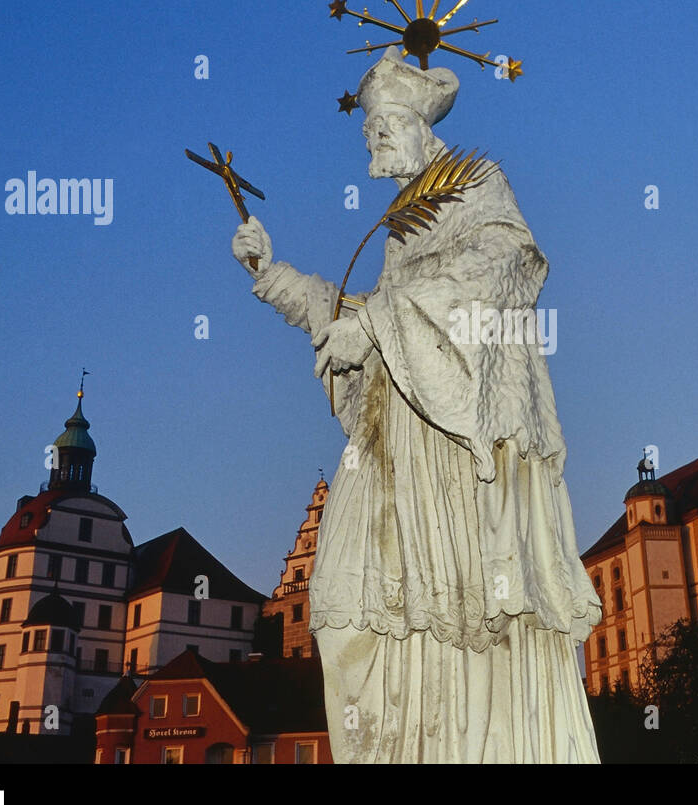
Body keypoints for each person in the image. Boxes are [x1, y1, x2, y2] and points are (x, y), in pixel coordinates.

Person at [232, 46, 601, 762]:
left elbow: (502, 270)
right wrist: (272, 274)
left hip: (459, 447)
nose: (370, 147)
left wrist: (374, 323)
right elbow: (365, 315)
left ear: (410, 121)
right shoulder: (405, 227)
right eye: (367, 134)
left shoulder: (477, 187)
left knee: (465, 620)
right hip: (401, 438)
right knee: (348, 608)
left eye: (377, 132)